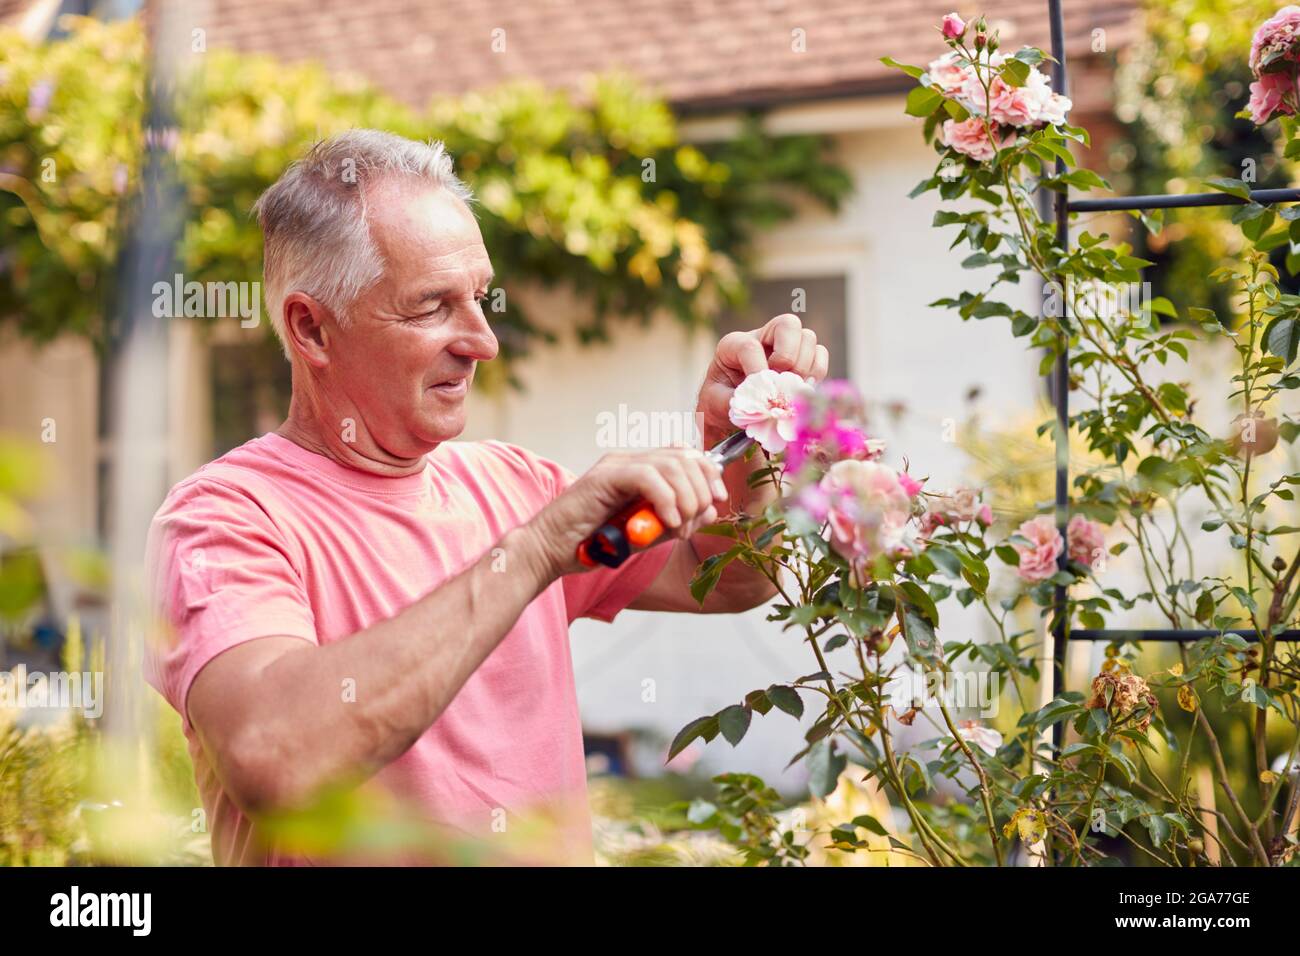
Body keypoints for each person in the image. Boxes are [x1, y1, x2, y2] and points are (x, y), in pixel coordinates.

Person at [144, 129, 829, 865]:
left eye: (478, 297)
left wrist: (740, 446)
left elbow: (725, 576)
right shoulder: (223, 520)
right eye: (432, 306)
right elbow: (274, 757)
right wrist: (533, 553)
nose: (482, 340)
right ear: (312, 328)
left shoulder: (515, 488)